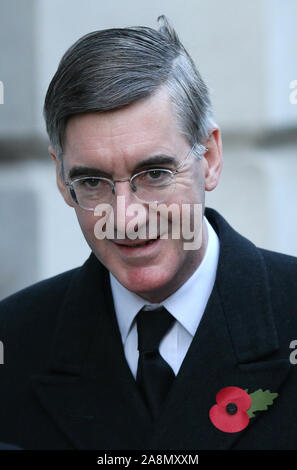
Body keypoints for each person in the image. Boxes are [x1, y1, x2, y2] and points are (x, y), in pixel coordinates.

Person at [0, 15, 296, 451]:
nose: (126, 218)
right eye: (93, 182)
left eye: (154, 173)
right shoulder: (15, 341)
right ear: (63, 181)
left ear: (210, 157)